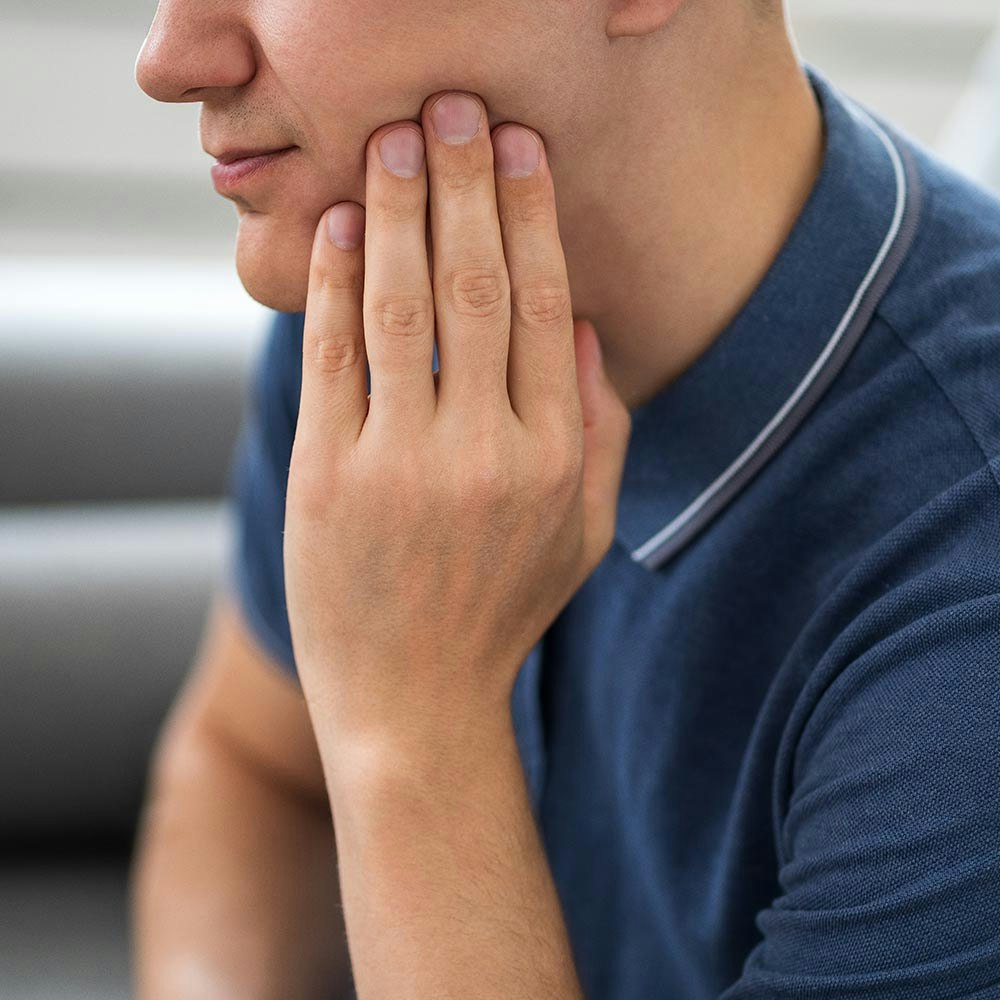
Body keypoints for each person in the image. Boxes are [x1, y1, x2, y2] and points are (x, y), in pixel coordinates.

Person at [131, 0, 1000, 997]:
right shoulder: (393, 294)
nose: (169, 59)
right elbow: (251, 769)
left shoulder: (967, 623)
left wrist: (418, 733)